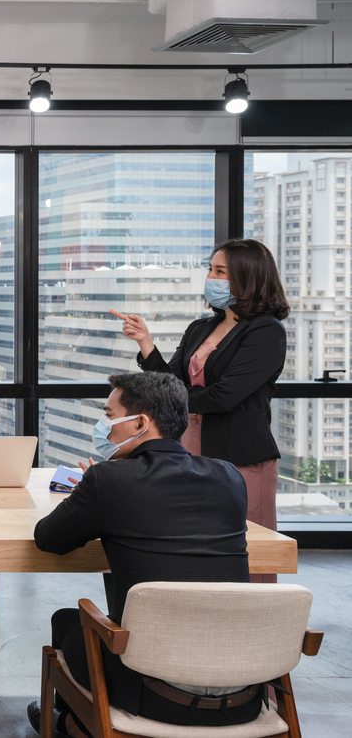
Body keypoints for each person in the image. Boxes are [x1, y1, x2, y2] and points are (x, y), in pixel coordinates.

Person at [28, 372, 253, 738]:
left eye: (108, 414)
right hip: (244, 689)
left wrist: (89, 492)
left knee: (69, 621)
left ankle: (74, 724)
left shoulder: (109, 479)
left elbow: (48, 539)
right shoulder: (229, 477)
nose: (104, 426)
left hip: (155, 694)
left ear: (140, 423)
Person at [113, 238, 288, 582]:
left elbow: (225, 396)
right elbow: (170, 383)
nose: (211, 277)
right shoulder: (201, 328)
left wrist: (177, 397)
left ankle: (257, 633)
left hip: (242, 459)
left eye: (220, 271)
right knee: (195, 553)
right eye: (211, 269)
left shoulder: (266, 331)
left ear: (247, 277)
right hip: (193, 452)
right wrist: (145, 343)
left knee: (249, 558)